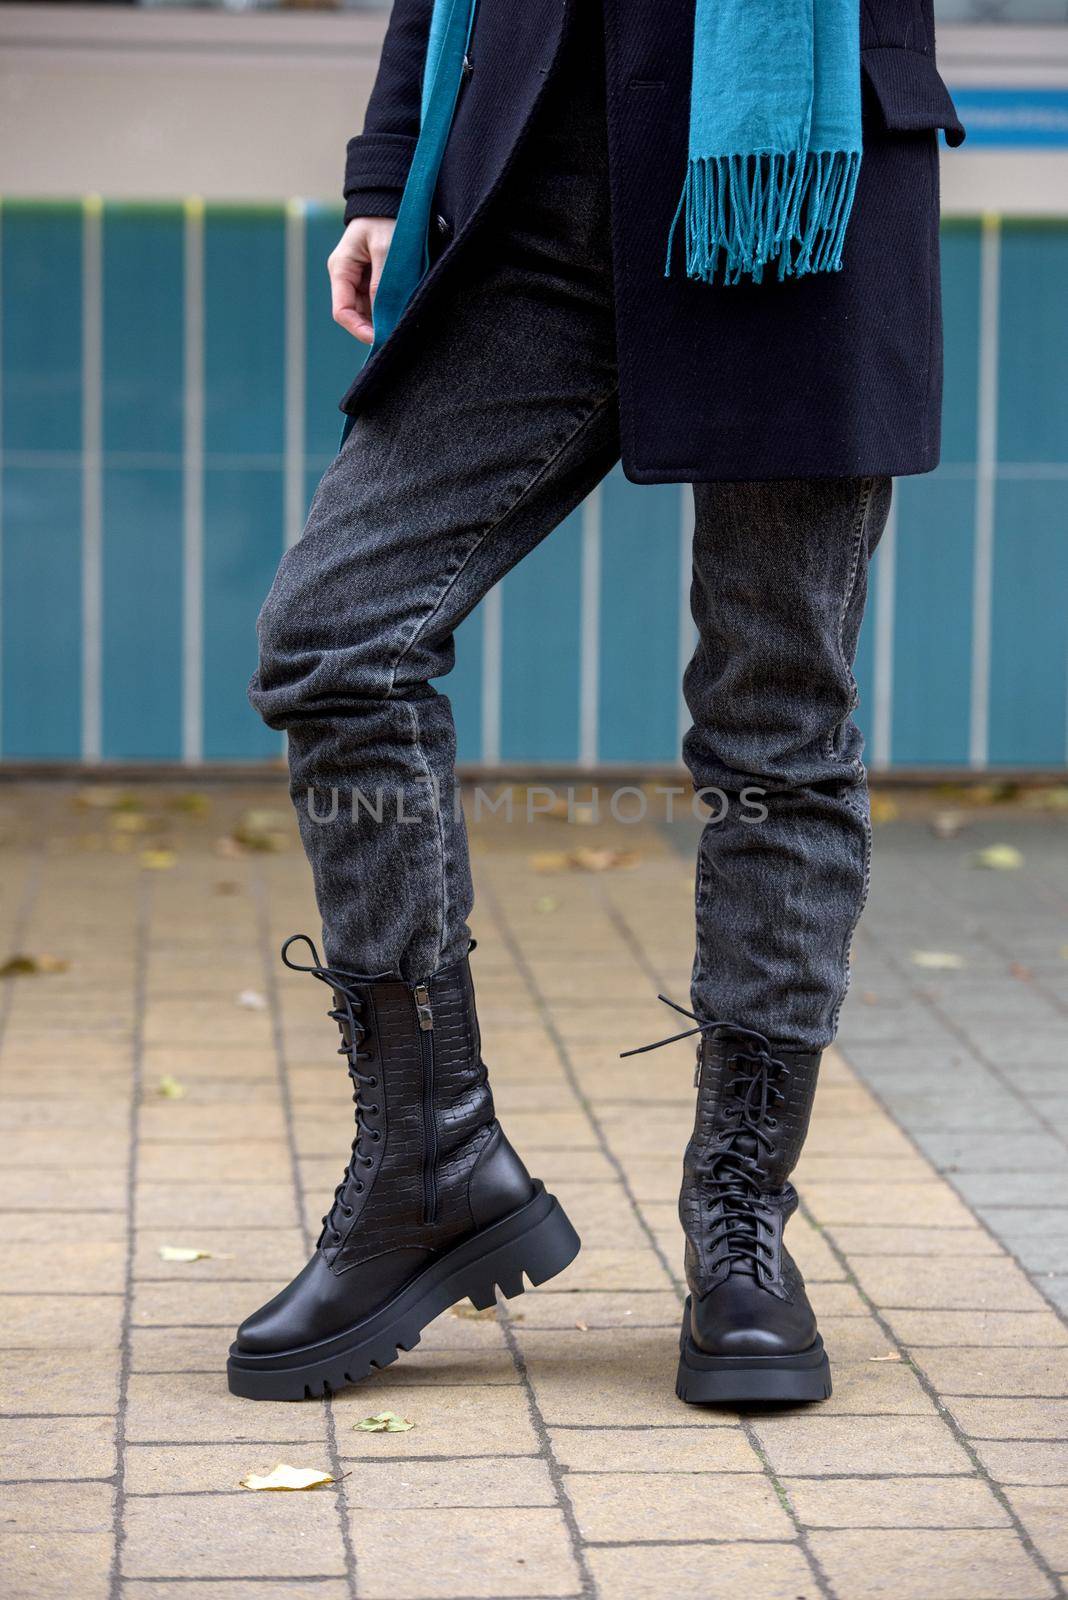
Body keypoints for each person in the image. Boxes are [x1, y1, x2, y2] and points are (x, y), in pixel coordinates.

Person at [226, 0, 963, 1406]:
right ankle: (431, 1161)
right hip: (530, 180)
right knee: (335, 637)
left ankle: (741, 1225)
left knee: (779, 720)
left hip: (792, 174)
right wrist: (389, 172)